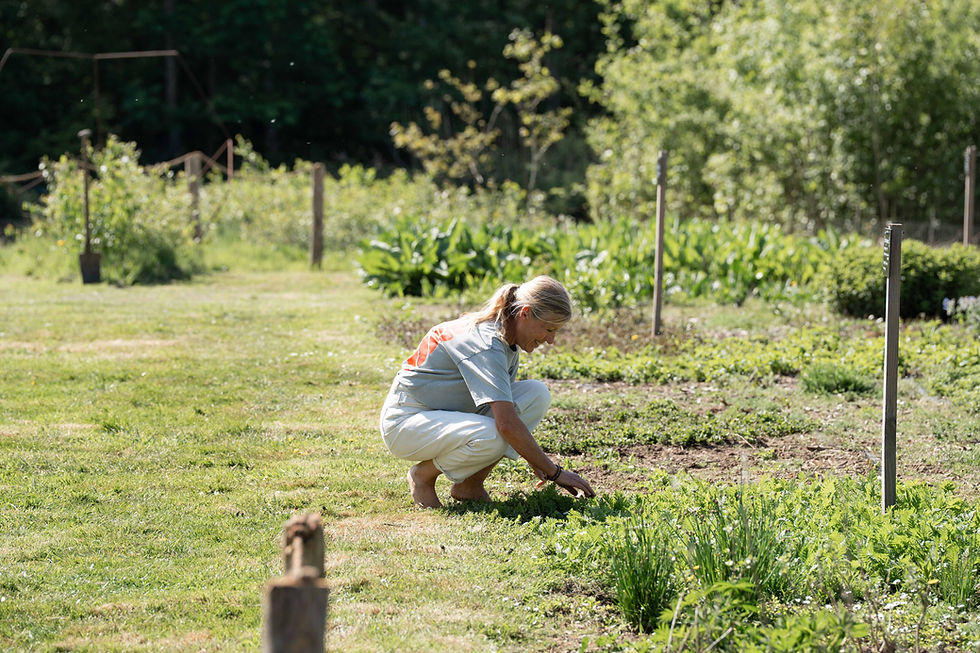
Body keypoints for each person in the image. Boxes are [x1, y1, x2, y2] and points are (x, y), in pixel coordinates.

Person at [379, 275, 596, 508]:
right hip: (406, 423)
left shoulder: (506, 335)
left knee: (536, 394)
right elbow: (506, 424)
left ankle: (470, 486)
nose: (551, 340)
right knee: (494, 435)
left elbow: (506, 414)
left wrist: (535, 458)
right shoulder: (487, 343)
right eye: (548, 329)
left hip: (443, 414)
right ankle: (423, 476)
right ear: (524, 313)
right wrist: (554, 472)